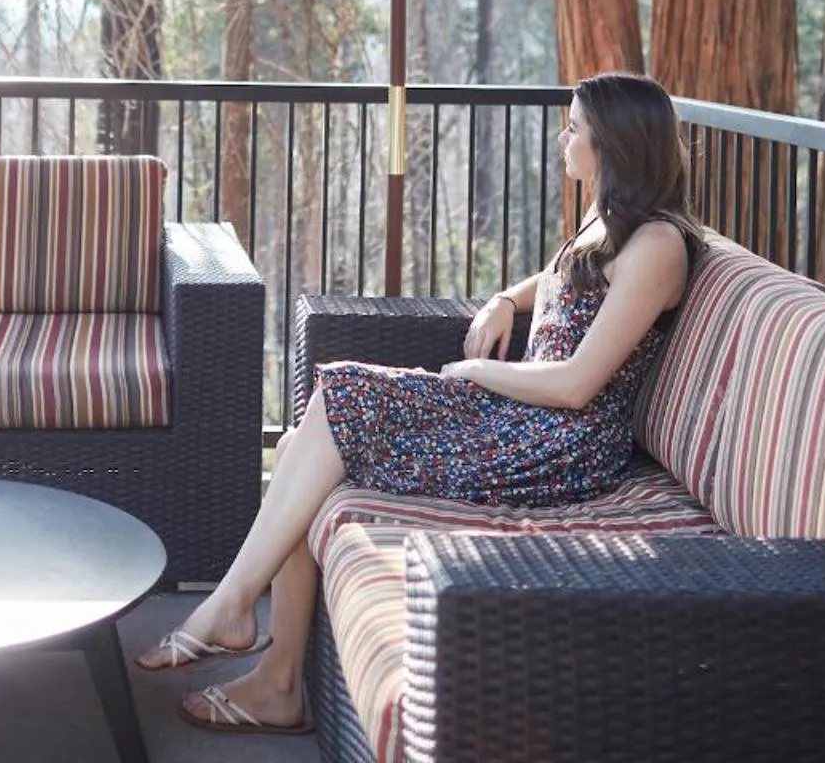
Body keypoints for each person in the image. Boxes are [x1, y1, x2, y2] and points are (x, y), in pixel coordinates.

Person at [133, 71, 705, 736]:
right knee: (296, 447)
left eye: (575, 128)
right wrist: (504, 300)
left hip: (557, 446)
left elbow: (577, 384)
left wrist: (477, 371)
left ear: (615, 143)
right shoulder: (609, 219)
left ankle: (235, 612)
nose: (564, 138)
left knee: (338, 400)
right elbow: (567, 280)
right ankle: (277, 679)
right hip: (519, 417)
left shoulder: (658, 245)